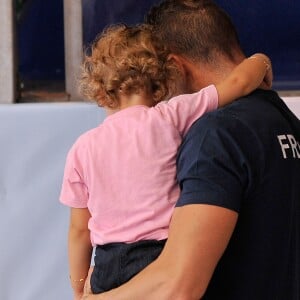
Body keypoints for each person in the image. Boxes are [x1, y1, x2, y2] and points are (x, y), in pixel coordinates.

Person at [83, 1, 300, 299]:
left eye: (158, 79)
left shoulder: (216, 135)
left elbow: (178, 287)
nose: (158, 96)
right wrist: (261, 60)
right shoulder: (285, 120)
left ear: (174, 66)